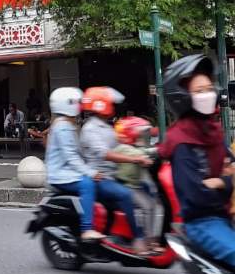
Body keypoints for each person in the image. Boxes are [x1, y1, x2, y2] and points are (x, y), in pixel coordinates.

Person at [158, 54, 235, 269]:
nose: (208, 95)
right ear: (182, 96)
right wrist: (226, 182)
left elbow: (231, 168)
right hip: (203, 223)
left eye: (209, 88)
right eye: (199, 91)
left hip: (224, 216)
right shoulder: (182, 141)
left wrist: (220, 182)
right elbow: (196, 196)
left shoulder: (212, 131)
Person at [80, 87, 153, 254]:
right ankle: (138, 238)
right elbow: (106, 154)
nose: (113, 106)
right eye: (110, 104)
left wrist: (145, 150)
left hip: (113, 175)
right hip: (99, 178)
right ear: (101, 105)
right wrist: (135, 159)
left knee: (146, 188)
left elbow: (121, 146)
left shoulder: (106, 126)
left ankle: (147, 236)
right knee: (126, 195)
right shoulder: (91, 128)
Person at [44, 87, 106, 241]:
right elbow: (71, 157)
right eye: (76, 102)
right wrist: (90, 172)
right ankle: (87, 229)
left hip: (66, 171)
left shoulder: (64, 124)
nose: (79, 106)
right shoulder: (63, 127)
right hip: (61, 174)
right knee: (87, 184)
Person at [113, 116, 160, 250]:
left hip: (135, 185)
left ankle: (150, 237)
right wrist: (145, 157)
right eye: (141, 134)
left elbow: (146, 151)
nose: (144, 137)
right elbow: (137, 153)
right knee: (147, 206)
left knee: (153, 203)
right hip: (126, 186)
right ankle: (147, 240)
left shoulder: (133, 147)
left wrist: (160, 149)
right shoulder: (123, 148)